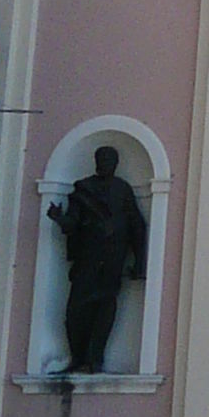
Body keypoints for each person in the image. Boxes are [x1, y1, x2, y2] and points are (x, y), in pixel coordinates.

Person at [48, 143, 148, 374]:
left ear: (116, 164)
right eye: (102, 160)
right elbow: (72, 223)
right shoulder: (83, 189)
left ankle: (95, 359)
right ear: (96, 162)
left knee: (105, 309)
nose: (105, 164)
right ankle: (78, 357)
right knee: (75, 310)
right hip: (87, 258)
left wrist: (140, 263)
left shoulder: (122, 190)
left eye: (110, 161)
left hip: (113, 260)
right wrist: (59, 219)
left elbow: (136, 226)